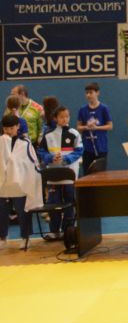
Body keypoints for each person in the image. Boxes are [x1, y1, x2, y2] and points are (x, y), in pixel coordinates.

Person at [37, 106, 83, 241]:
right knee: (53, 204)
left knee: (69, 203)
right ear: (55, 118)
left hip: (69, 176)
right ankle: (54, 231)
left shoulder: (74, 133)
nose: (64, 119)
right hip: (53, 176)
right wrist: (50, 157)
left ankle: (68, 231)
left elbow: (79, 150)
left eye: (67, 116)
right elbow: (41, 151)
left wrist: (67, 159)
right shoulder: (48, 134)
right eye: (61, 117)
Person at [0, 113, 41, 250]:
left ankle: (25, 237)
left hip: (19, 183)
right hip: (3, 183)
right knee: (2, 211)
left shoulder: (25, 143)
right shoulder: (1, 141)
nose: (8, 131)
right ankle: (2, 237)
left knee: (22, 211)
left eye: (11, 128)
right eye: (5, 128)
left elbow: (32, 161)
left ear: (18, 126)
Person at [77, 82, 113, 172]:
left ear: (97, 93)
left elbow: (110, 126)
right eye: (87, 93)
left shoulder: (104, 108)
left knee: (100, 173)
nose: (88, 95)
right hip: (87, 148)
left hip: (101, 147)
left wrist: (96, 128)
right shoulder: (82, 109)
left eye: (91, 92)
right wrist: (86, 127)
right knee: (87, 172)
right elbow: (78, 127)